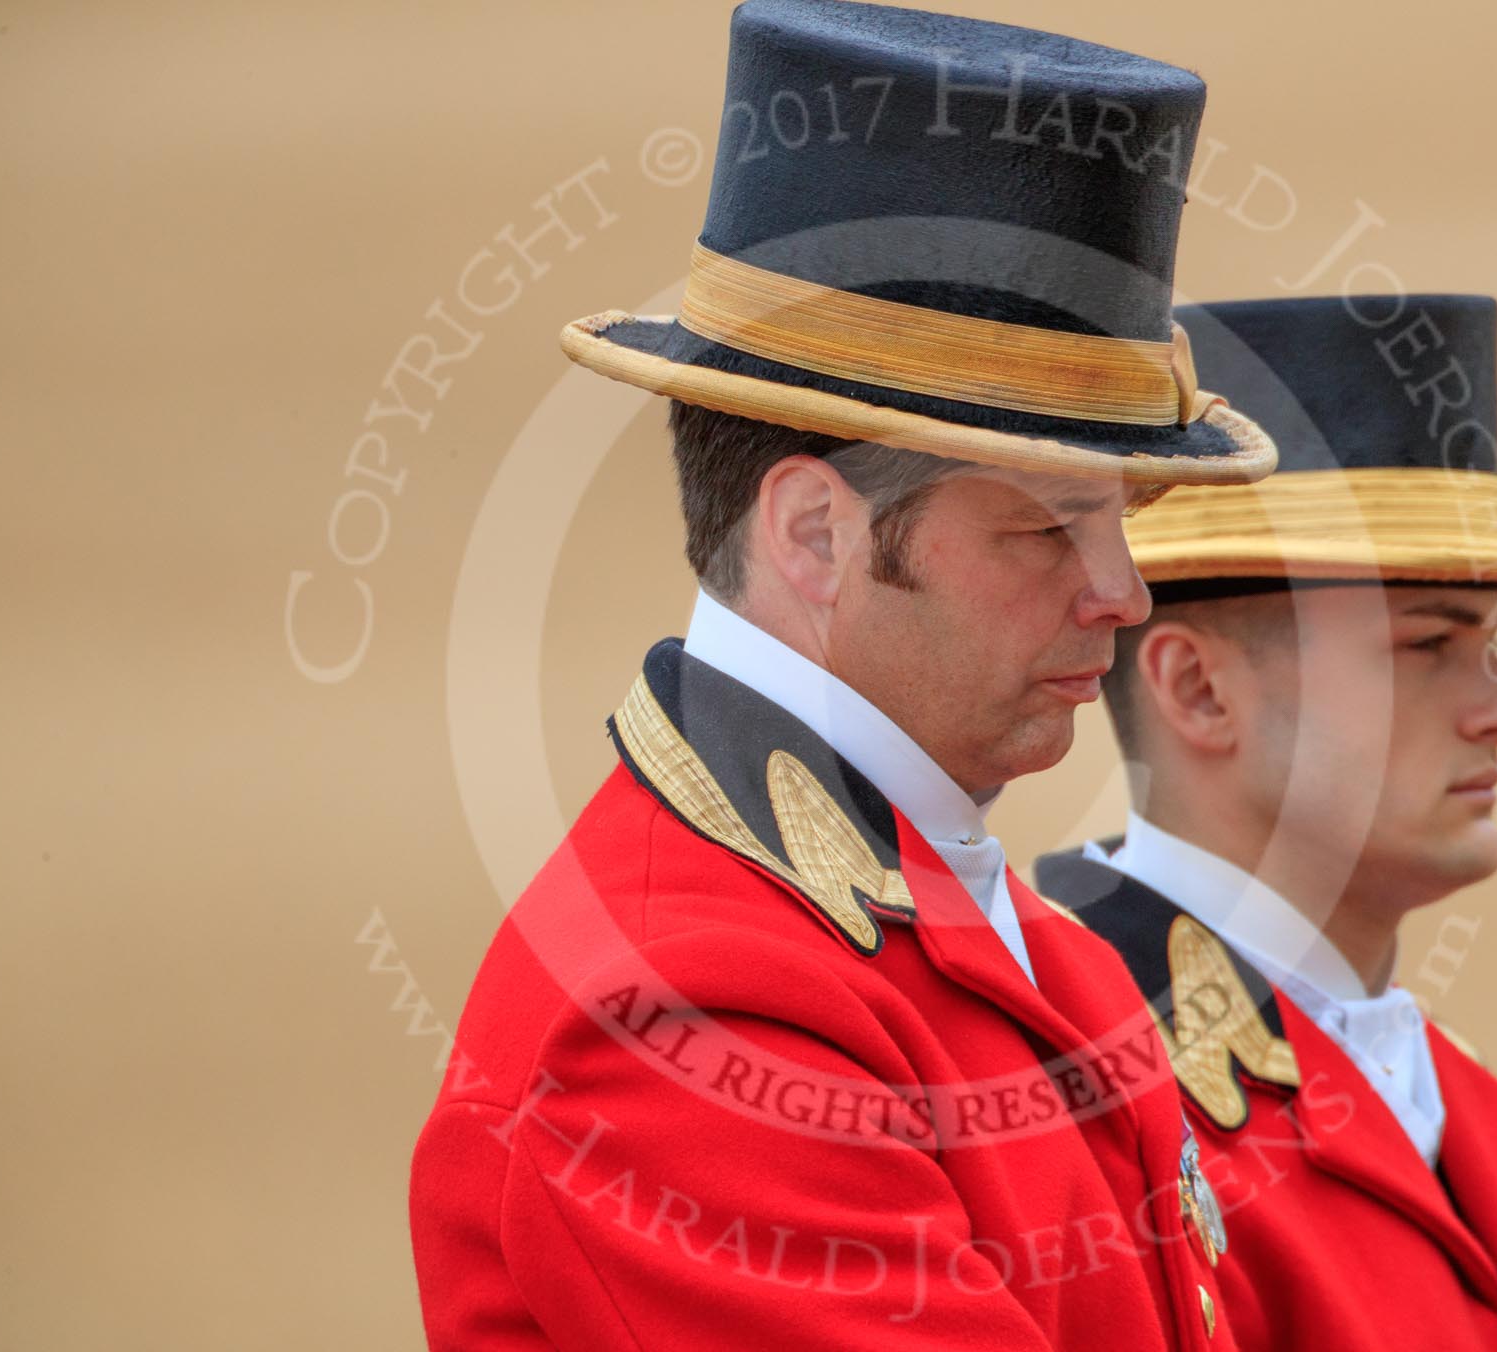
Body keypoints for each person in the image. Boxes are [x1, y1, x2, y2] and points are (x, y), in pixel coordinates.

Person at [409, 3, 1278, 1348]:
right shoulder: (686, 1016)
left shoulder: (1029, 948)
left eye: (1122, 518)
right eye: (1046, 527)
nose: (1123, 589)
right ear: (816, 534)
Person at [1036, 295, 1497, 1349]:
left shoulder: (1477, 1115)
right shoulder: (1068, 1105)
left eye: (1494, 641)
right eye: (1428, 645)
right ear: (1199, 690)